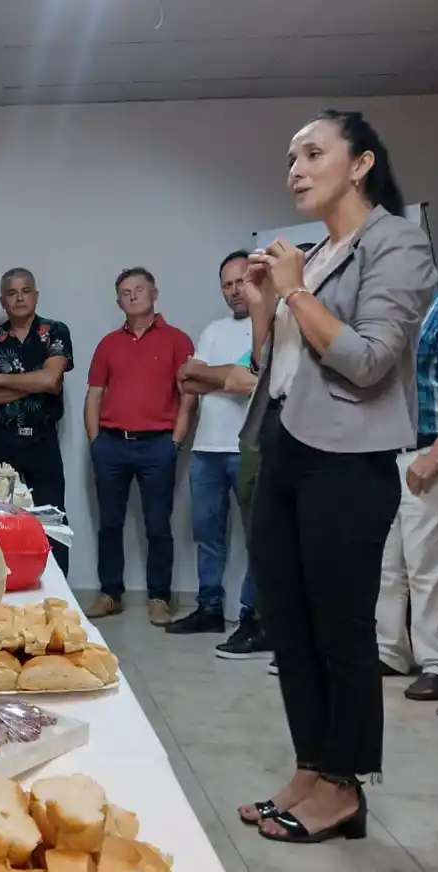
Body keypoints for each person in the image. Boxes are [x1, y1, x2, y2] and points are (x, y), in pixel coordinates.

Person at [234, 109, 436, 844]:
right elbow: (275, 367)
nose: (295, 168)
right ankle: (311, 767)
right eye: (290, 156)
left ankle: (345, 786)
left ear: (360, 164)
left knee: (341, 629)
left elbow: (370, 360)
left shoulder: (399, 243)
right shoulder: (318, 253)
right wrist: (266, 305)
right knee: (287, 622)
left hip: (348, 461)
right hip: (286, 446)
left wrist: (292, 293)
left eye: (313, 153)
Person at [376, 289, 438, 702]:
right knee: (385, 564)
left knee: (426, 565)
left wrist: (436, 456)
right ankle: (389, 651)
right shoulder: (379, 316)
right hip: (382, 453)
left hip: (428, 450)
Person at [85, 267, 195, 625]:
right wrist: (95, 442)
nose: (132, 296)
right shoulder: (108, 344)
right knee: (110, 524)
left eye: (139, 289)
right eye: (125, 292)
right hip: (112, 446)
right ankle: (110, 593)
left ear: (154, 293)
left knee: (158, 525)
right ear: (118, 300)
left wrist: (175, 443)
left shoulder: (178, 340)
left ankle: (159, 597)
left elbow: (189, 397)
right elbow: (94, 395)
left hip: (157, 447)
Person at [169, 251, 262, 638]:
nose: (234, 290)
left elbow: (250, 382)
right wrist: (223, 376)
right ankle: (208, 607)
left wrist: (208, 374)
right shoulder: (212, 330)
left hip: (248, 448)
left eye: (240, 281)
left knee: (258, 537)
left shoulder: (265, 326)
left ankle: (252, 616)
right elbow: (186, 381)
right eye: (227, 284)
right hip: (206, 449)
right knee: (207, 535)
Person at [0, 268, 73, 573]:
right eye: (12, 292)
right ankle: (5, 587)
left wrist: (1, 380)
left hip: (41, 441)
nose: (19, 298)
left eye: (25, 291)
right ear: (2, 300)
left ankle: (57, 593)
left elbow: (51, 379)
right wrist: (36, 383)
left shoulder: (55, 331)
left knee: (51, 519)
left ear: (36, 295)